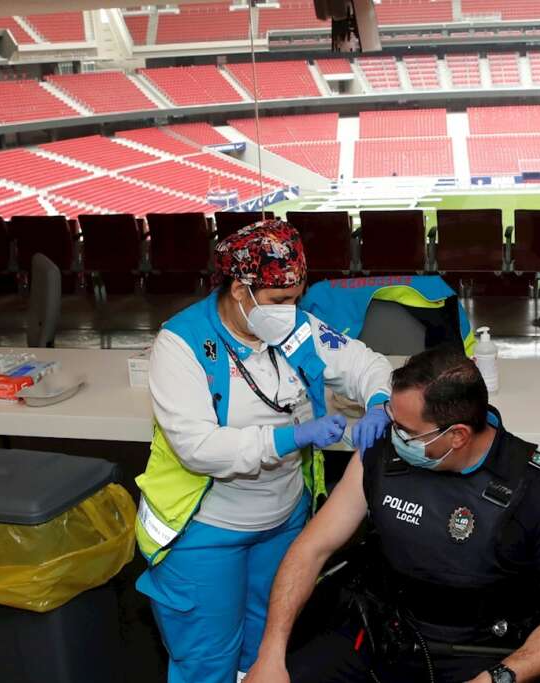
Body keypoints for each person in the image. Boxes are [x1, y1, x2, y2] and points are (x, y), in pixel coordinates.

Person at [135, 219, 394, 683]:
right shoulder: (183, 344)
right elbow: (198, 448)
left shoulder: (294, 329)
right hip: (205, 533)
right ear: (240, 290)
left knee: (266, 656)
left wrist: (378, 400)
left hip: (280, 523)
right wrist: (290, 438)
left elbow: (365, 363)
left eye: (296, 300)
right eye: (279, 302)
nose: (291, 312)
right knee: (207, 664)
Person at [248, 345, 540, 683]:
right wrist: (270, 655)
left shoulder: (536, 488)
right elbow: (312, 548)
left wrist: (497, 678)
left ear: (458, 435)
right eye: (392, 419)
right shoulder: (381, 455)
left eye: (407, 431)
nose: (393, 435)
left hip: (483, 650)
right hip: (385, 632)